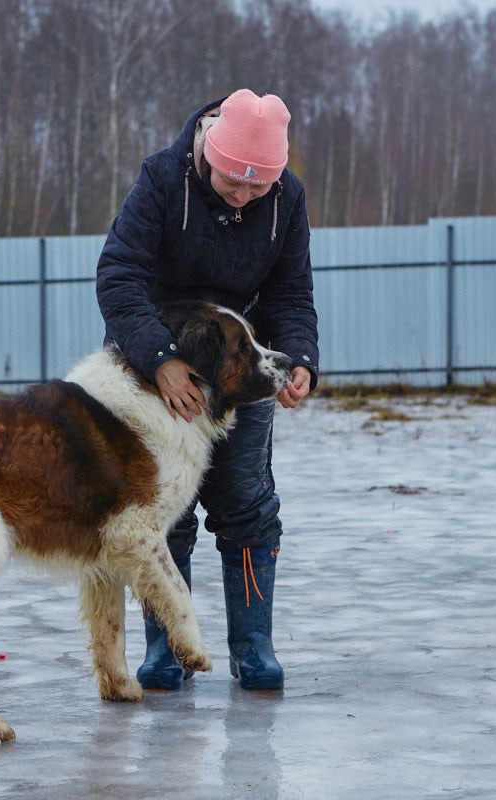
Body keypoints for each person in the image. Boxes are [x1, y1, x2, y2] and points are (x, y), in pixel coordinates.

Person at [96, 89, 319, 691]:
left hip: (238, 371)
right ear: (209, 151)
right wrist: (159, 360)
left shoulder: (286, 201)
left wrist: (298, 359)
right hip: (157, 369)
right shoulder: (162, 180)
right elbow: (118, 276)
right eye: (232, 182)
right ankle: (167, 647)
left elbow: (291, 294)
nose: (244, 196)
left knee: (245, 503)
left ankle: (253, 648)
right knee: (161, 510)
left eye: (258, 187)